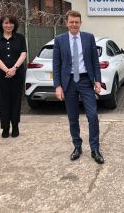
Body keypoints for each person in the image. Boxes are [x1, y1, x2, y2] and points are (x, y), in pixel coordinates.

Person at [53, 10, 104, 164]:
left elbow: (95, 61)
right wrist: (58, 86)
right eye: (71, 22)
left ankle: (95, 149)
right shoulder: (59, 40)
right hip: (68, 82)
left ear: (80, 23)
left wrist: (97, 81)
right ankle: (77, 146)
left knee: (93, 115)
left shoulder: (88, 38)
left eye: (77, 22)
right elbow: (56, 64)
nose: (74, 24)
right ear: (66, 23)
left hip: (85, 81)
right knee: (73, 117)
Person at [0, 15, 27, 138]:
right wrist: (7, 70)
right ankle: (5, 127)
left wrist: (14, 69)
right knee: (3, 101)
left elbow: (23, 54)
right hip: (1, 76)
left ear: (14, 25)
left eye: (11, 23)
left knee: (16, 101)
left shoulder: (20, 38)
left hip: (17, 75)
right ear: (1, 24)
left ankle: (15, 126)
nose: (8, 25)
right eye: (6, 23)